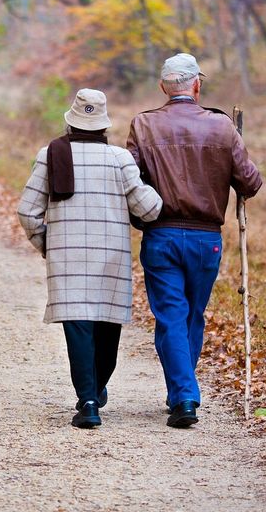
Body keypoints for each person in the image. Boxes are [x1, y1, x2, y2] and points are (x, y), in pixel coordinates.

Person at [126, 53, 263, 429]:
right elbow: (251, 183)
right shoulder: (221, 127)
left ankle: (182, 394)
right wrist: (234, 146)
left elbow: (128, 178)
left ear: (163, 87)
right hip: (206, 240)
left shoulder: (144, 125)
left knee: (171, 315)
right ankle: (183, 394)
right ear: (197, 85)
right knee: (190, 315)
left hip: (161, 234)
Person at [18, 88, 162, 429]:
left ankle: (88, 400)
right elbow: (149, 209)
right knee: (106, 328)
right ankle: (95, 391)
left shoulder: (50, 155)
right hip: (110, 258)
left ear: (70, 123)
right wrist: (155, 188)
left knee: (78, 327)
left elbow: (27, 211)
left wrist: (47, 245)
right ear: (104, 127)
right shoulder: (120, 159)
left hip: (66, 260)